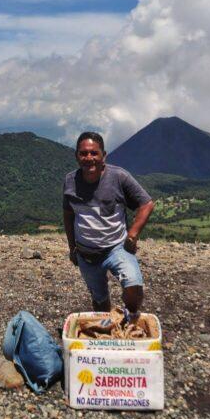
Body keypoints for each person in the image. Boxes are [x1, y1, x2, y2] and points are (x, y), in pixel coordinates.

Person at [63, 131, 154, 320]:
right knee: (100, 300)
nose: (89, 158)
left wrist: (133, 234)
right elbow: (69, 214)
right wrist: (72, 248)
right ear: (77, 156)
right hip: (86, 253)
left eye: (94, 153)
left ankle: (130, 319)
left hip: (117, 247)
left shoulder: (119, 177)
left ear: (103, 156)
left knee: (133, 287)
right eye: (84, 153)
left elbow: (146, 203)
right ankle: (108, 328)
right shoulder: (70, 181)